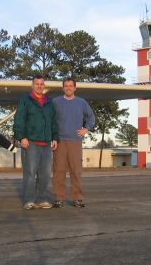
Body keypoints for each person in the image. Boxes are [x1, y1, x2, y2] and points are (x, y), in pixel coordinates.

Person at [13, 75, 58, 210]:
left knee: (45, 174)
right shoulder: (25, 100)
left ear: (44, 86)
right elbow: (19, 120)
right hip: (31, 142)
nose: (39, 86)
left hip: (46, 143)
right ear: (32, 86)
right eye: (37, 84)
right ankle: (29, 200)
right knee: (30, 173)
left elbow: (53, 122)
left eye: (41, 84)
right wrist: (21, 137)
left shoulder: (49, 102)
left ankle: (42, 199)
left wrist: (55, 137)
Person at [52, 78, 95, 208]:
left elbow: (91, 117)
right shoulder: (56, 102)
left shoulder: (81, 102)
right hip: (59, 141)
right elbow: (50, 119)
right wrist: (52, 137)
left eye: (71, 86)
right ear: (63, 88)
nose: (68, 88)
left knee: (76, 171)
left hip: (75, 141)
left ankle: (78, 198)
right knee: (59, 171)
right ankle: (59, 198)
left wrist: (86, 129)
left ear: (75, 88)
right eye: (66, 86)